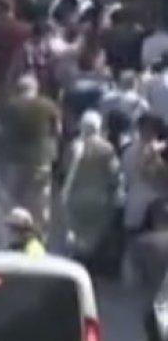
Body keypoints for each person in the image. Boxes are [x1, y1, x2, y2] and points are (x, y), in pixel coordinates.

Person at [62, 109, 123, 274]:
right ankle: (91, 267)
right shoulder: (106, 148)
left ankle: (78, 263)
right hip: (99, 198)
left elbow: (64, 170)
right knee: (95, 235)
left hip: (76, 197)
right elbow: (114, 174)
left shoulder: (74, 146)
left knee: (78, 233)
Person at [0, 74, 60, 230]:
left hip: (16, 160)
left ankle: (19, 230)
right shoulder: (48, 106)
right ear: (36, 89)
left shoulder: (10, 107)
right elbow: (57, 131)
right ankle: (40, 231)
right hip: (41, 158)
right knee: (40, 198)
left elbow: (2, 132)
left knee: (18, 198)